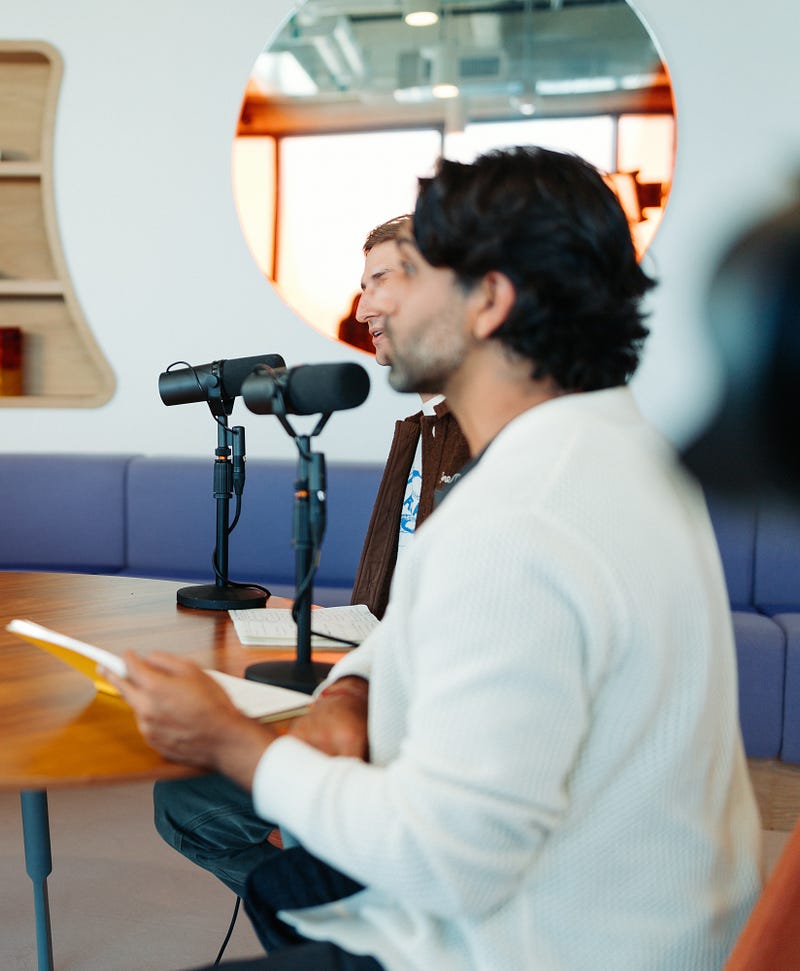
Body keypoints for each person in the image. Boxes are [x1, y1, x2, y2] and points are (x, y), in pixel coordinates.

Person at [110, 147, 762, 970]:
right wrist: (350, 688)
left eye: (409, 273)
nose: (373, 305)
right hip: (661, 924)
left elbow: (444, 860)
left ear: (489, 300)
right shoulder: (622, 453)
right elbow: (425, 620)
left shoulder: (517, 517)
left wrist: (233, 742)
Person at [151, 215, 471, 899]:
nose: (361, 310)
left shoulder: (490, 446)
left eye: (381, 280)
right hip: (382, 689)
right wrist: (341, 639)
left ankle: (349, 907)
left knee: (188, 804)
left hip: (421, 739)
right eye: (361, 286)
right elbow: (407, 606)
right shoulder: (422, 429)